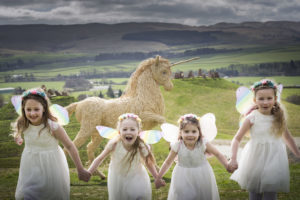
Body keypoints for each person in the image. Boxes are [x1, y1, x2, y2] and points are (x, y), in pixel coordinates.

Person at [13, 88, 90, 200]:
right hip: (30, 164)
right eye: (28, 109)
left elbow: (69, 146)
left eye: (36, 109)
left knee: (51, 195)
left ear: (44, 108)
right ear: (23, 109)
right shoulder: (23, 123)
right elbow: (18, 133)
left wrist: (80, 169)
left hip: (51, 165)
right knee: (29, 193)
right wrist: (18, 138)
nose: (32, 113)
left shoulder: (52, 126)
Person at [228, 79, 300, 200]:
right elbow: (236, 139)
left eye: (269, 98)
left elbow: (287, 137)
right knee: (254, 193)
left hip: (274, 159)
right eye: (261, 99)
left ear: (275, 99)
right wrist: (233, 158)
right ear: (255, 100)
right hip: (254, 159)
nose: (265, 102)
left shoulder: (279, 118)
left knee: (270, 193)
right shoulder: (252, 118)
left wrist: (298, 153)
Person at [155, 113, 230, 200]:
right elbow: (167, 162)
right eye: (186, 131)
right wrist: (158, 177)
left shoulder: (203, 143)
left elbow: (218, 154)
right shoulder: (177, 145)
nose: (190, 134)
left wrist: (227, 165)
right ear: (181, 132)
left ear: (199, 132)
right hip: (182, 176)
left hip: (202, 175)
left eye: (194, 131)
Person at [88, 113, 161, 200]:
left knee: (139, 196)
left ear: (138, 132)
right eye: (125, 129)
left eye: (132, 129)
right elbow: (100, 158)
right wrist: (89, 172)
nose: (128, 132)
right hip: (118, 178)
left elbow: (148, 162)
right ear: (119, 132)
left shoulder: (140, 146)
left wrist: (157, 177)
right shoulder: (114, 144)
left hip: (136, 176)